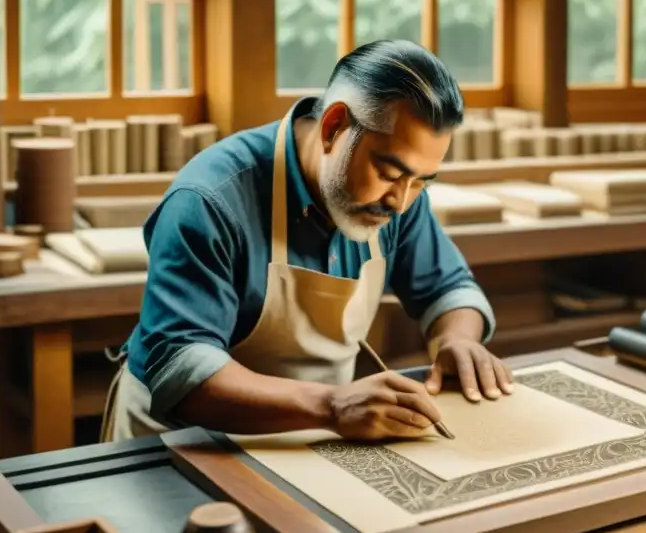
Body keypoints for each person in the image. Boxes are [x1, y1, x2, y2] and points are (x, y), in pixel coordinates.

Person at [102, 40, 513, 443]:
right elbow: (182, 371)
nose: (401, 202)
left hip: (309, 435)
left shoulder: (397, 198)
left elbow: (449, 289)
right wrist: (332, 406)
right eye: (389, 174)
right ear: (334, 127)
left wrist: (457, 340)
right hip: (180, 443)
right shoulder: (209, 200)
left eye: (421, 182)